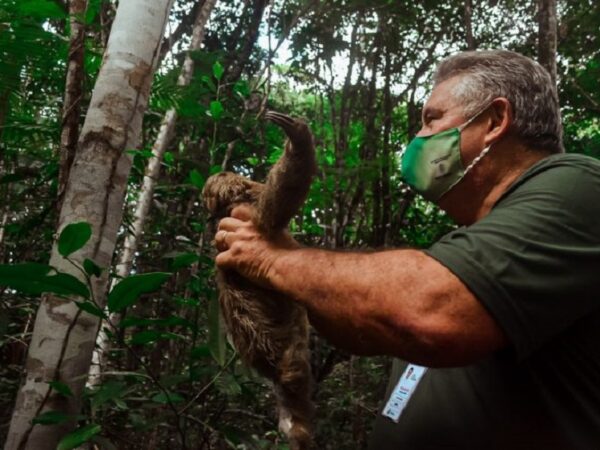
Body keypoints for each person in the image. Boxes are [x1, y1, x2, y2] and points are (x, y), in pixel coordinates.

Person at [213, 50, 600, 449]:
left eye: (432, 119)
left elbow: (432, 315)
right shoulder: (462, 251)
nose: (418, 139)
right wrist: (283, 266)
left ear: (495, 121)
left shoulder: (580, 187)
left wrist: (274, 259)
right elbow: (362, 327)